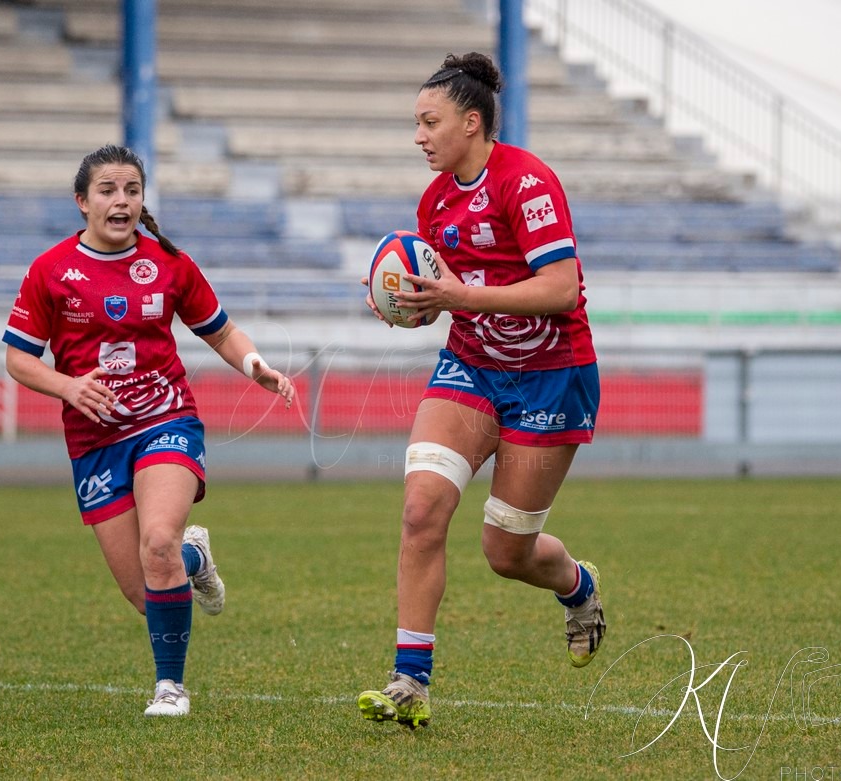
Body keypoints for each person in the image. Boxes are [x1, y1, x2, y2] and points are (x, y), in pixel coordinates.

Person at [357, 53, 605, 729]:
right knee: (421, 508)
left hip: (551, 376)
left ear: (472, 122)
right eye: (416, 123)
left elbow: (559, 290)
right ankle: (410, 679)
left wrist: (459, 293)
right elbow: (449, 297)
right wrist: (410, 301)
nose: (419, 135)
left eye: (429, 121)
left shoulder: (527, 182)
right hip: (471, 365)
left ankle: (579, 588)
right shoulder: (434, 200)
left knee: (507, 551)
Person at [3, 144, 295, 717]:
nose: (122, 201)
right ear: (82, 202)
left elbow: (221, 331)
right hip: (93, 442)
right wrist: (68, 386)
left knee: (156, 540)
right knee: (147, 591)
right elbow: (18, 358)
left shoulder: (169, 263)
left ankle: (170, 689)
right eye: (108, 191)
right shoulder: (50, 271)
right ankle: (195, 559)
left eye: (132, 191)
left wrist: (255, 364)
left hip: (167, 421)